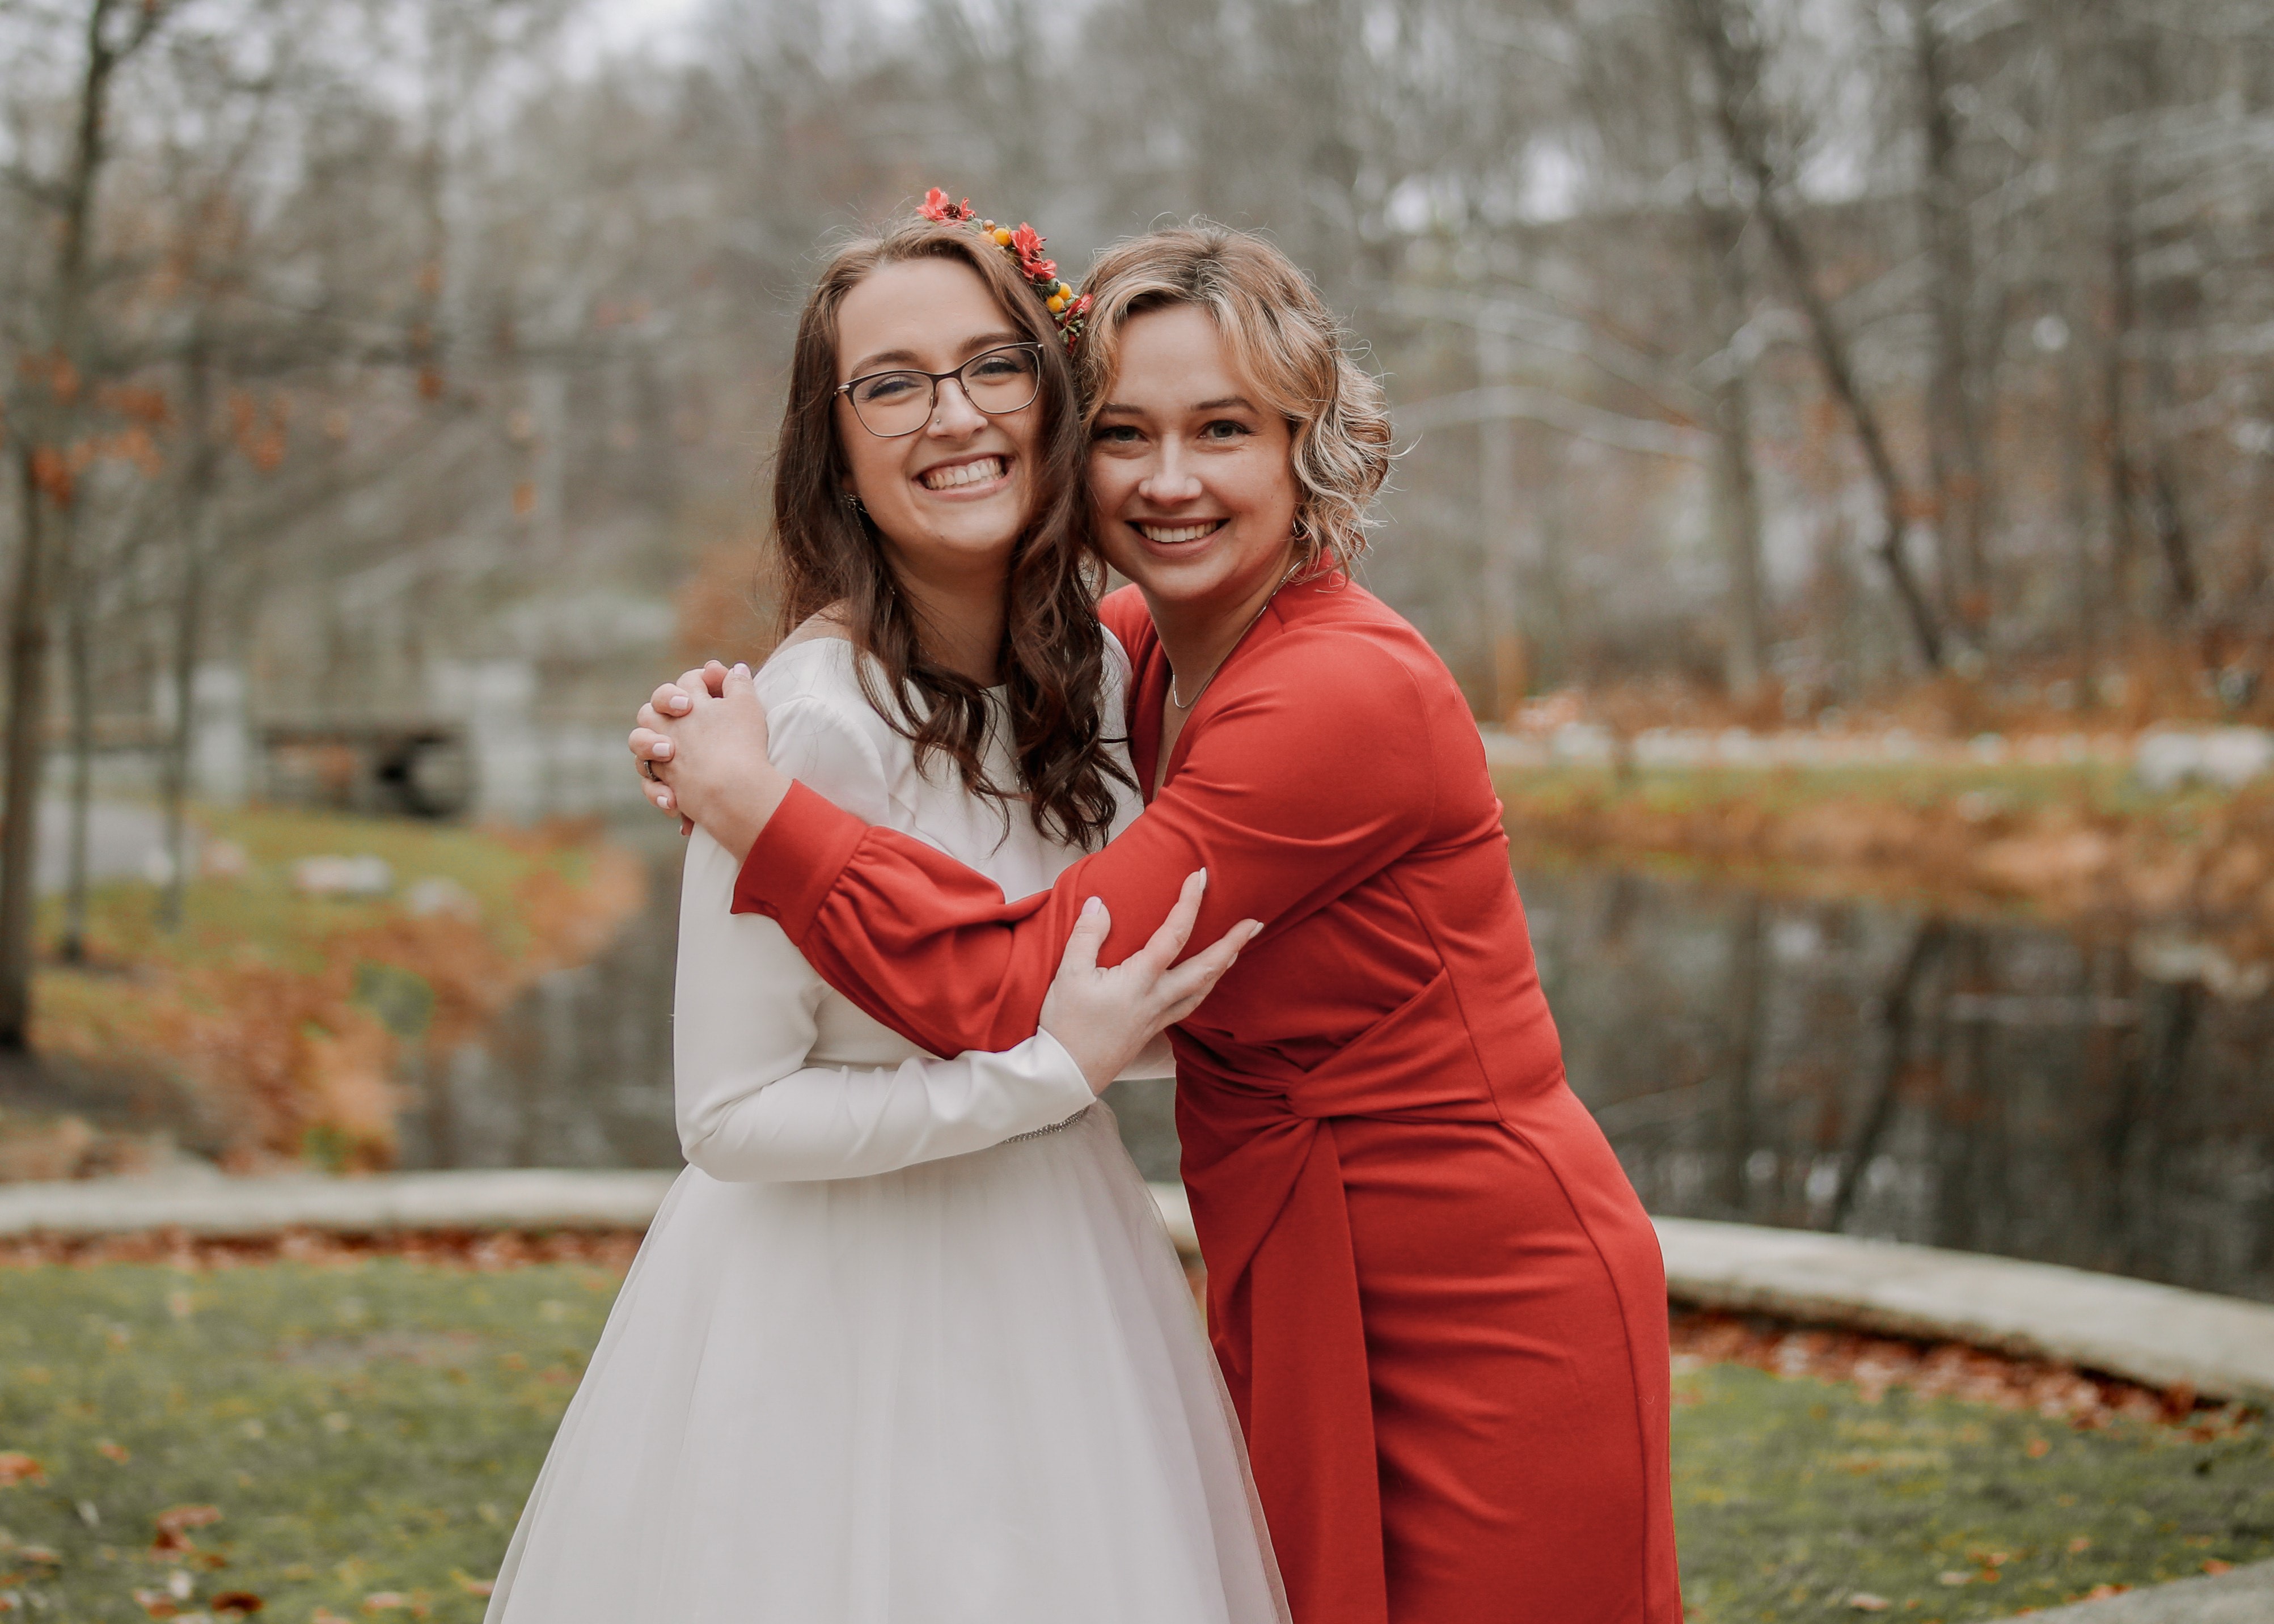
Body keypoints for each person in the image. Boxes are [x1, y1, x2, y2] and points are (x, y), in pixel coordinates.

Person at [635, 223, 1682, 1624]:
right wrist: (740, 737)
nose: (1170, 481)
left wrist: (764, 811)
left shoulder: (1335, 693)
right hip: (1292, 1242)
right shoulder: (1126, 655)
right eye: (1125, 432)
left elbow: (1024, 976)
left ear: (1307, 446)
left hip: (1469, 1272)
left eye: (1224, 429)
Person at [492, 201, 1287, 1624]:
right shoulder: (798, 725)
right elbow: (728, 1118)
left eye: (992, 367)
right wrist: (1043, 1080)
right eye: (892, 384)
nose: (953, 416)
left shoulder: (1096, 680)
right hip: (828, 1314)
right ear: (840, 452)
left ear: (1052, 409)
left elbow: (1094, 984)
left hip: (1063, 1279)